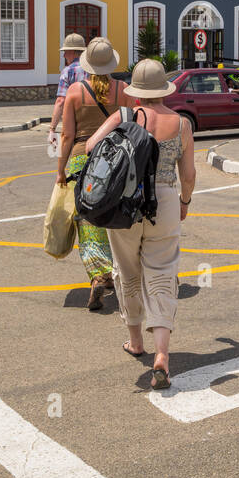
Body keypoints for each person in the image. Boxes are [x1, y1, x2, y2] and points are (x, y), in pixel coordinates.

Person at [86, 59, 196, 390]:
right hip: (163, 201)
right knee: (162, 273)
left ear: (135, 92)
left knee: (127, 271)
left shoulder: (123, 117)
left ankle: (136, 342)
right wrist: (184, 202)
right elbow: (188, 175)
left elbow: (91, 147)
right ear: (164, 89)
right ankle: (162, 354)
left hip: (125, 204)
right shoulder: (181, 124)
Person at [57, 37, 130, 311]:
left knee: (87, 222)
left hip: (81, 162)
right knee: (113, 217)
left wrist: (60, 170)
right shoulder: (124, 90)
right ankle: (116, 273)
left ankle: (98, 274)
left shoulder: (75, 92)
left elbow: (67, 135)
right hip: (114, 161)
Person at [49, 33, 88, 149]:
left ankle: (62, 167)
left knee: (69, 153)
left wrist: (52, 129)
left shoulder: (68, 71)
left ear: (73, 52)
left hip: (76, 123)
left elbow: (61, 101)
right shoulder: (95, 69)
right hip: (96, 122)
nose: (64, 55)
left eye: (65, 52)